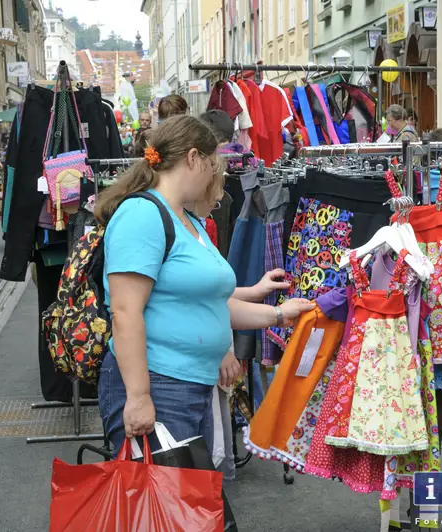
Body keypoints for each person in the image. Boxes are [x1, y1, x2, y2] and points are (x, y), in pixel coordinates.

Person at [94, 115, 313, 453]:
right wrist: (138, 397)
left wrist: (278, 315)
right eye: (213, 165)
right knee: (169, 501)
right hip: (160, 385)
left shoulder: (187, 219)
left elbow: (211, 303)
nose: (214, 175)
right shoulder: (142, 215)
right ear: (194, 158)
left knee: (189, 499)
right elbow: (125, 312)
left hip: (189, 386)